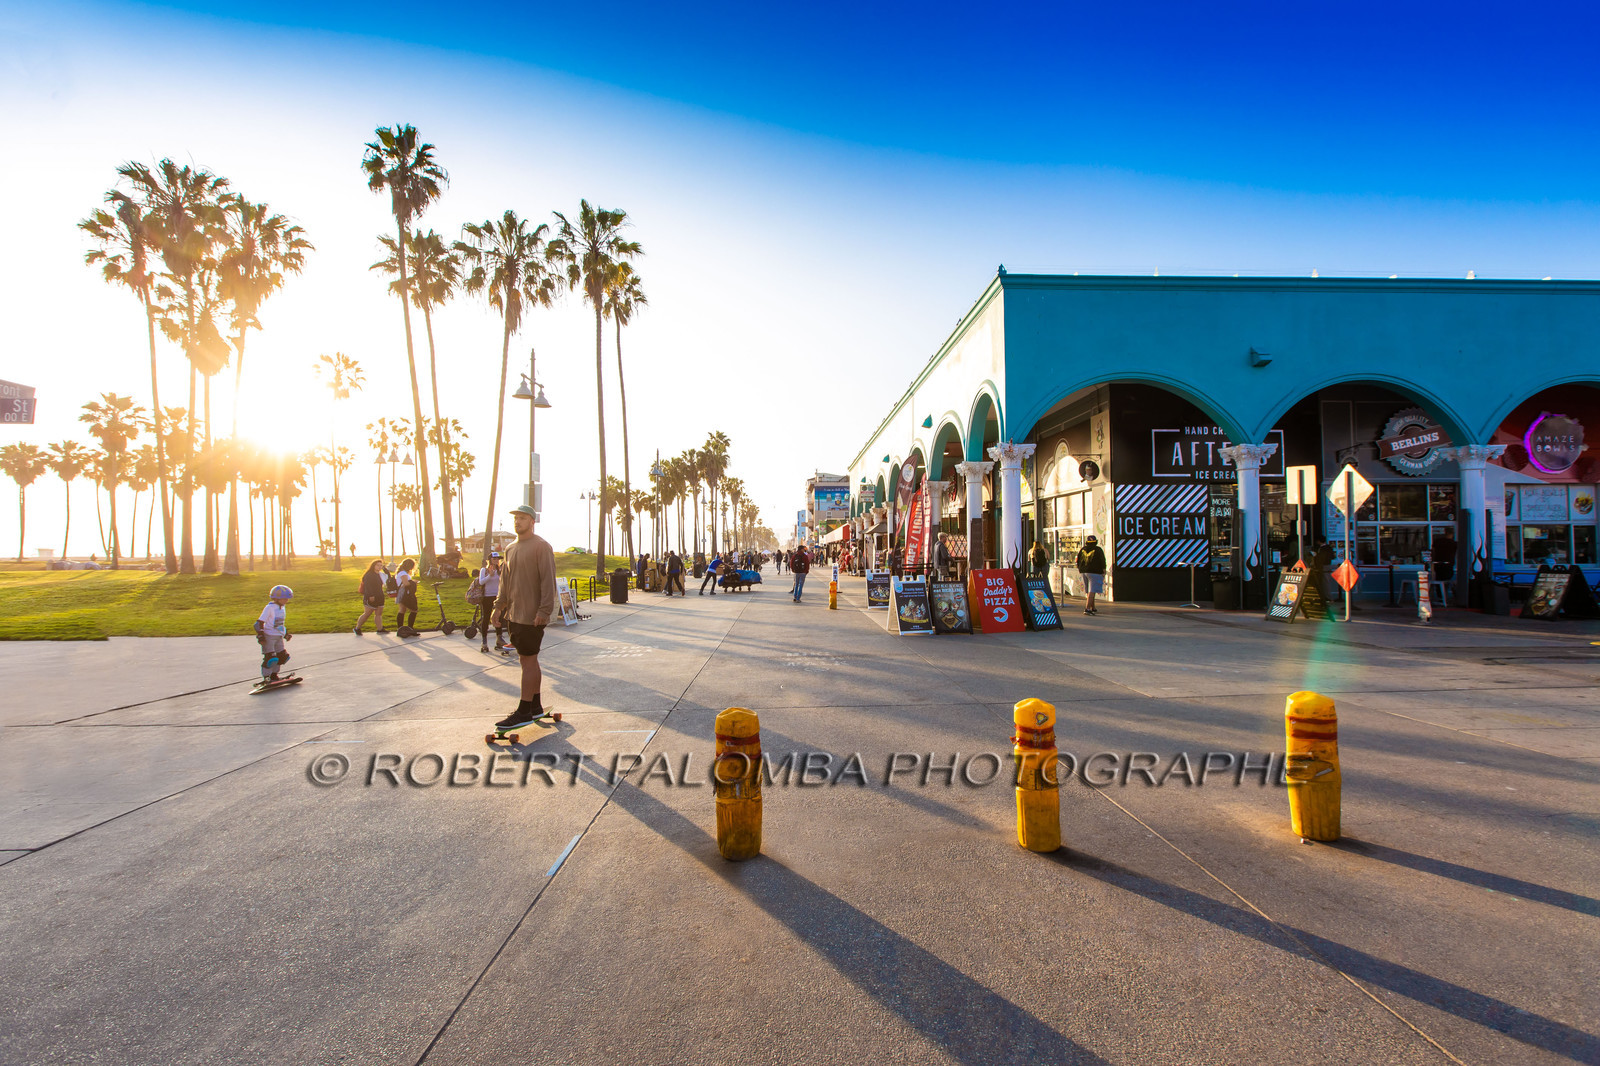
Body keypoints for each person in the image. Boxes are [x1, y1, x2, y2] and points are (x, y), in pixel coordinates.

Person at [490, 504, 559, 732]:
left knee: (528, 660)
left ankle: (523, 710)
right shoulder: (510, 549)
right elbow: (505, 582)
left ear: (532, 521)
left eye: (522, 518)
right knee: (527, 660)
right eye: (516, 518)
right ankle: (535, 706)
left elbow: (547, 581)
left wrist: (544, 611)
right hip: (515, 615)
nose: (517, 522)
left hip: (532, 616)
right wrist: (498, 607)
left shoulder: (541, 547)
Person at [255, 584, 294, 682]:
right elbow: (258, 623)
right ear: (276, 598)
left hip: (278, 636)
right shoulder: (270, 608)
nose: (286, 600)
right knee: (271, 659)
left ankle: (274, 676)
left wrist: (286, 634)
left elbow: (279, 624)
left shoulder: (282, 607)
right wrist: (261, 636)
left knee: (282, 657)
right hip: (269, 636)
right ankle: (266, 677)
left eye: (287, 598)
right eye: (284, 598)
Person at [354, 559, 388, 634]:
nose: (379, 567)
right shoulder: (369, 575)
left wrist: (385, 569)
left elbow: (388, 577)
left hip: (380, 596)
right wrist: (371, 595)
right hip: (371, 596)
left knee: (378, 613)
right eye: (377, 565)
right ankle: (357, 628)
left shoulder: (380, 574)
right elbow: (368, 587)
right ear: (373, 566)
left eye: (381, 566)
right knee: (367, 613)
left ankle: (380, 629)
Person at [479, 553, 505, 652]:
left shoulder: (500, 571)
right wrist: (489, 576)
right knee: (486, 618)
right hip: (487, 597)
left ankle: (499, 638)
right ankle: (484, 641)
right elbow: (481, 582)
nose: (496, 560)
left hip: (497, 597)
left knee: (499, 618)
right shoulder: (484, 570)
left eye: (497, 559)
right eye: (494, 559)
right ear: (490, 560)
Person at [1077, 535, 1107, 615]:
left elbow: (1078, 560)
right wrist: (1104, 570)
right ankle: (1087, 609)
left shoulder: (1083, 549)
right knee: (1092, 591)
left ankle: (1092, 607)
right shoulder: (1098, 549)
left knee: (1088, 591)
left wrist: (1080, 568)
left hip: (1083, 571)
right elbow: (1102, 560)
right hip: (1094, 572)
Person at [394, 559, 419, 633]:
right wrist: (413, 582)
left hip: (402, 592)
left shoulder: (402, 572)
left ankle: (401, 628)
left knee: (402, 609)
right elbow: (406, 583)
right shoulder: (403, 573)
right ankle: (409, 628)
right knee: (414, 610)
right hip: (405, 593)